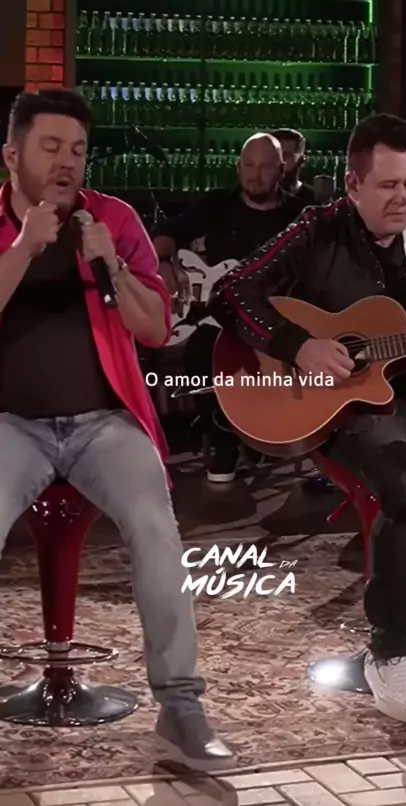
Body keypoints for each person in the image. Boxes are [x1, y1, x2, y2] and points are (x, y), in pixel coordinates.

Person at [207, 112, 406, 725]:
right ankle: (389, 651)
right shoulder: (316, 231)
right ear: (353, 185)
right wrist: (298, 344)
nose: (401, 198)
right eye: (387, 186)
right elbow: (231, 293)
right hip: (346, 406)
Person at [0, 88, 236, 771]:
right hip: (11, 425)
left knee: (156, 525)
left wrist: (113, 262)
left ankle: (181, 706)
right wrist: (24, 247)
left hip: (104, 424)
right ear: (12, 155)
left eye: (77, 150)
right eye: (51, 147)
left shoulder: (114, 219)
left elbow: (155, 327)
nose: (66, 162)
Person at [154, 133, 304, 483]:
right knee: (199, 353)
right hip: (218, 316)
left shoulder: (298, 216)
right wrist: (162, 261)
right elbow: (167, 232)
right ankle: (224, 435)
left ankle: (258, 433)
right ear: (238, 167)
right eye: (249, 165)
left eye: (265, 167)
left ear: (282, 170)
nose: (256, 174)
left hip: (273, 318)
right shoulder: (217, 204)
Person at [271, 128, 315, 205]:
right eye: (275, 154)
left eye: (286, 155)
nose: (280, 160)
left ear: (302, 160)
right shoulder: (254, 196)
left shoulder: (314, 200)